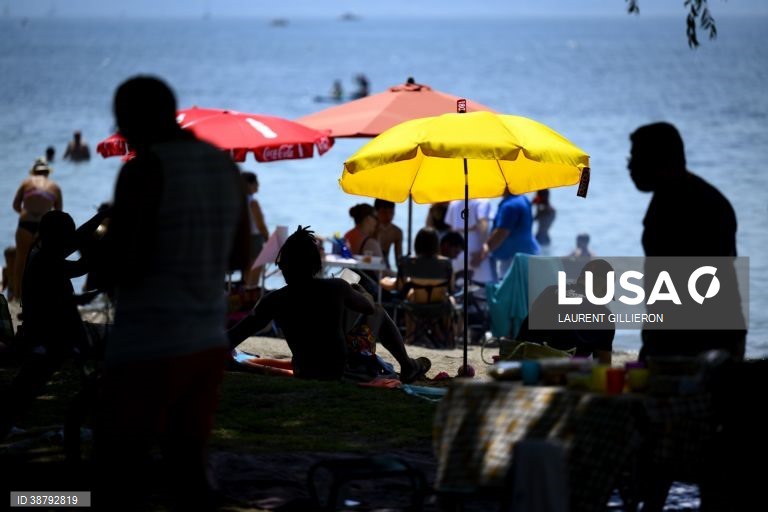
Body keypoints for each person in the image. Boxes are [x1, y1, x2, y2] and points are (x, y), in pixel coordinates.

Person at [94, 75, 250, 510]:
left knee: (118, 467)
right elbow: (240, 255)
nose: (121, 132)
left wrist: (99, 249)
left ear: (136, 119)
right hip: (206, 339)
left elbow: (121, 264)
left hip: (149, 339)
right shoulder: (224, 167)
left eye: (122, 122)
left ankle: (41, 501)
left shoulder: (142, 169)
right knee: (188, 467)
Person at [228, 226, 430, 382]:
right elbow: (369, 308)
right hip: (340, 370)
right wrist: (360, 291)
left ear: (284, 267)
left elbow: (234, 335)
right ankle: (407, 365)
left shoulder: (273, 300)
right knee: (377, 310)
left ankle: (409, 365)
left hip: (304, 369)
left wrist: (236, 363)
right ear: (315, 266)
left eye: (281, 265)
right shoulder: (336, 288)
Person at [628, 121, 746, 361]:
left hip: (701, 342)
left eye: (636, 158)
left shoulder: (701, 205)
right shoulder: (668, 198)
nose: (630, 166)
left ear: (660, 160)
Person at [0, 211, 89, 440]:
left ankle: (5, 423)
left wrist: (99, 220)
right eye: (66, 235)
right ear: (57, 237)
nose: (69, 240)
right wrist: (105, 250)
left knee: (26, 386)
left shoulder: (41, 251)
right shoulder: (45, 260)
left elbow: (75, 241)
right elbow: (79, 267)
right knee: (27, 386)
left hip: (45, 333)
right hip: (46, 336)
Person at [515, 259, 615, 364]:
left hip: (520, 359)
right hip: (558, 368)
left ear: (580, 278)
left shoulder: (550, 291)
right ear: (605, 287)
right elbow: (603, 365)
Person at [395, 228, 456, 347]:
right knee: (450, 300)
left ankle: (410, 336)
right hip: (440, 305)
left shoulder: (409, 262)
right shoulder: (446, 263)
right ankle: (448, 338)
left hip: (416, 306)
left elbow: (400, 286)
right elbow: (451, 287)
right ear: (436, 244)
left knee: (411, 294)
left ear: (417, 243)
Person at [12, 158, 62, 300]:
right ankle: (40, 296)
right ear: (48, 173)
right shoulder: (55, 187)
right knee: (43, 263)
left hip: (25, 223)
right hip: (43, 227)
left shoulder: (26, 183)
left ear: (34, 172)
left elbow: (15, 205)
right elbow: (58, 213)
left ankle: (17, 296)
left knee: (20, 261)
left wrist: (25, 214)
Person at [473, 190, 540, 282]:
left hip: (512, 258)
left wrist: (484, 251)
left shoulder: (510, 206)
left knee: (510, 287)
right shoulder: (523, 199)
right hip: (527, 253)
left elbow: (501, 233)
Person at [445, 198, 493, 284]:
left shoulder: (453, 203)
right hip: (475, 251)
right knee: (481, 288)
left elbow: (450, 229)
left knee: (458, 286)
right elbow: (483, 223)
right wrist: (484, 250)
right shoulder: (482, 202)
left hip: (457, 253)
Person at [242, 171, 269, 287]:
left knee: (246, 272)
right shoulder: (252, 202)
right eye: (255, 182)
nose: (258, 185)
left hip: (241, 238)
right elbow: (260, 224)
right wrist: (267, 237)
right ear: (249, 184)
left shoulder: (238, 200)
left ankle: (244, 292)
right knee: (255, 271)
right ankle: (251, 293)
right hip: (254, 239)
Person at [373, 199, 403, 270]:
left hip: (385, 267)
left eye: (391, 212)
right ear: (375, 212)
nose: (388, 216)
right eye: (384, 212)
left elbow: (399, 261)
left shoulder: (396, 232)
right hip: (367, 266)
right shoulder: (370, 229)